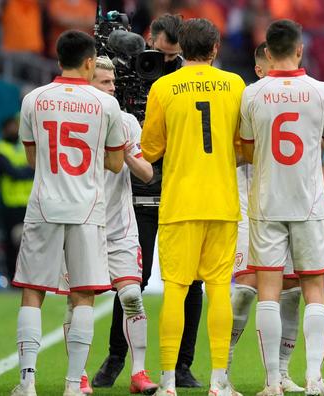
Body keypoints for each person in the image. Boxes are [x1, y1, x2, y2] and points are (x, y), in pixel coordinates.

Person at [11, 30, 126, 396]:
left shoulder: (33, 99)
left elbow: (32, 158)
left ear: (58, 58)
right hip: (88, 208)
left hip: (44, 204)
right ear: (90, 62)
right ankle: (73, 385)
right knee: (83, 295)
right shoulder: (106, 105)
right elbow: (116, 161)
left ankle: (27, 382)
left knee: (33, 292)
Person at [94, 13, 205, 390]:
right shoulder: (120, 73)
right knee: (130, 282)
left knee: (190, 282)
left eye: (175, 57)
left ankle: (182, 366)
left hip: (178, 190)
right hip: (135, 193)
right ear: (148, 40)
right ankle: (115, 358)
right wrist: (110, 50)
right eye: (160, 54)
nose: (166, 63)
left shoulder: (187, 80)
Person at [141, 18, 246, 396]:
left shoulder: (163, 86)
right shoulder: (235, 84)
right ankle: (219, 381)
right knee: (219, 289)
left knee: (175, 290)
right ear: (215, 48)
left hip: (179, 202)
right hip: (222, 201)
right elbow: (244, 145)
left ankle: (168, 382)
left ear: (181, 48)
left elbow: (150, 149)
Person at [239, 19, 324, 396]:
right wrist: (322, 185)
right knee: (314, 287)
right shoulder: (322, 91)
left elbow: (247, 151)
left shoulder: (252, 94)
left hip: (266, 202)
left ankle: (271, 384)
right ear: (300, 50)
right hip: (309, 202)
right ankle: (314, 379)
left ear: (266, 53)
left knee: (269, 289)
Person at [59, 56, 158, 395]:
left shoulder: (128, 121)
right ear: (88, 82)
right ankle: (79, 376)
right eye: (105, 83)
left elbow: (147, 174)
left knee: (132, 295)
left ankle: (139, 373)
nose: (113, 89)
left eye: (114, 83)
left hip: (119, 226)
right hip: (81, 223)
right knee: (77, 301)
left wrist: (125, 149)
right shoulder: (74, 119)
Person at [228, 41, 305, 393]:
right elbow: (235, 153)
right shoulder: (246, 100)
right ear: (261, 68)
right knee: (245, 289)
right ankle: (222, 369)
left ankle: (281, 373)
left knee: (291, 290)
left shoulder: (301, 97)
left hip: (287, 205)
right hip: (247, 205)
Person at [0, 114, 33, 285]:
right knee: (12, 244)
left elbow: (35, 168)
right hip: (10, 205)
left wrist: (23, 172)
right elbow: (14, 173)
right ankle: (13, 277)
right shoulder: (1, 149)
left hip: (29, 203)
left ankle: (29, 277)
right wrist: (25, 171)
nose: (14, 129)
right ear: (4, 129)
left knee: (30, 243)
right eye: (11, 126)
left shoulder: (22, 147)